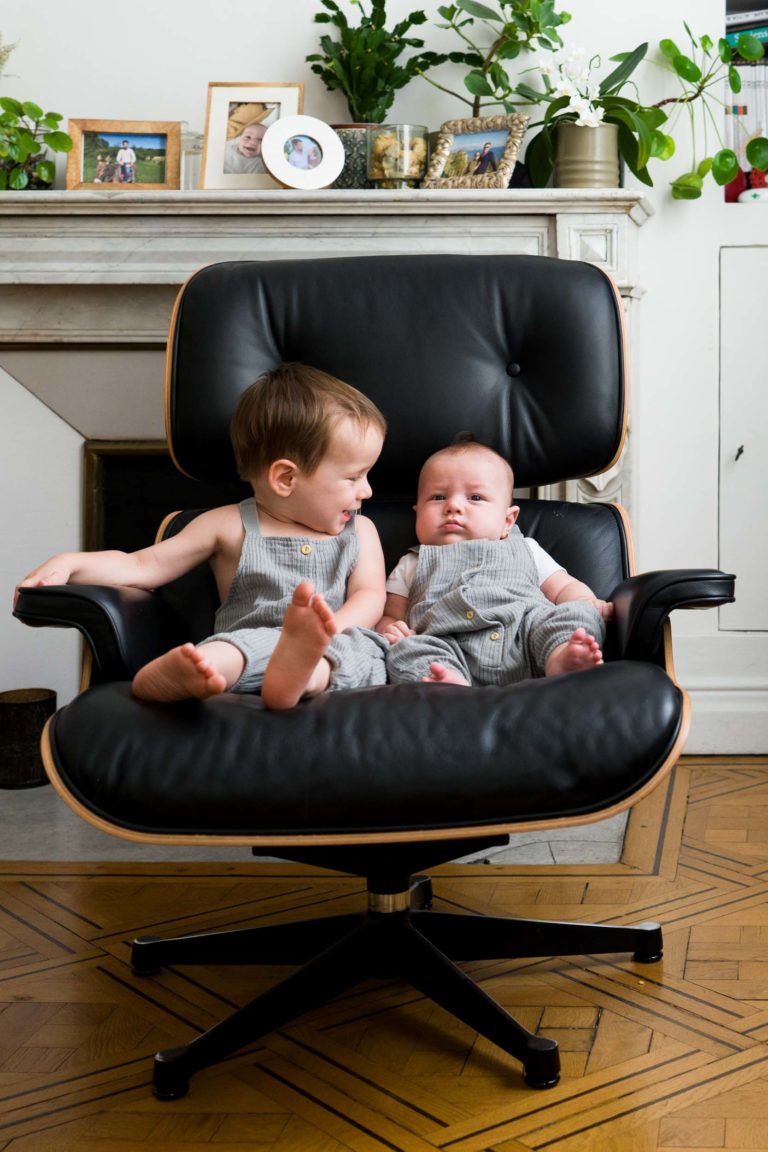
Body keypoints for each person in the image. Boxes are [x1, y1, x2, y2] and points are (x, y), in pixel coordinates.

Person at [15, 364, 390, 711]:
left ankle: (298, 674)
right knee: (229, 650)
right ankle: (191, 674)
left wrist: (327, 632)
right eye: (355, 477)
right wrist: (70, 564)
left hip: (337, 644)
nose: (368, 491)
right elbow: (141, 565)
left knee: (355, 655)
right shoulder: (227, 525)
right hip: (252, 643)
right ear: (286, 479)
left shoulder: (361, 531)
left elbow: (369, 596)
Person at [376, 436, 612, 687]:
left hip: (525, 635)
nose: (453, 506)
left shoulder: (526, 548)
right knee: (405, 650)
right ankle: (447, 684)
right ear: (417, 513)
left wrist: (588, 601)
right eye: (437, 497)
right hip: (446, 645)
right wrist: (392, 630)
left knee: (576, 614)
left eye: (475, 498)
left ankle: (562, 657)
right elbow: (391, 614)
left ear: (507, 521)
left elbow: (563, 587)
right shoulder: (413, 561)